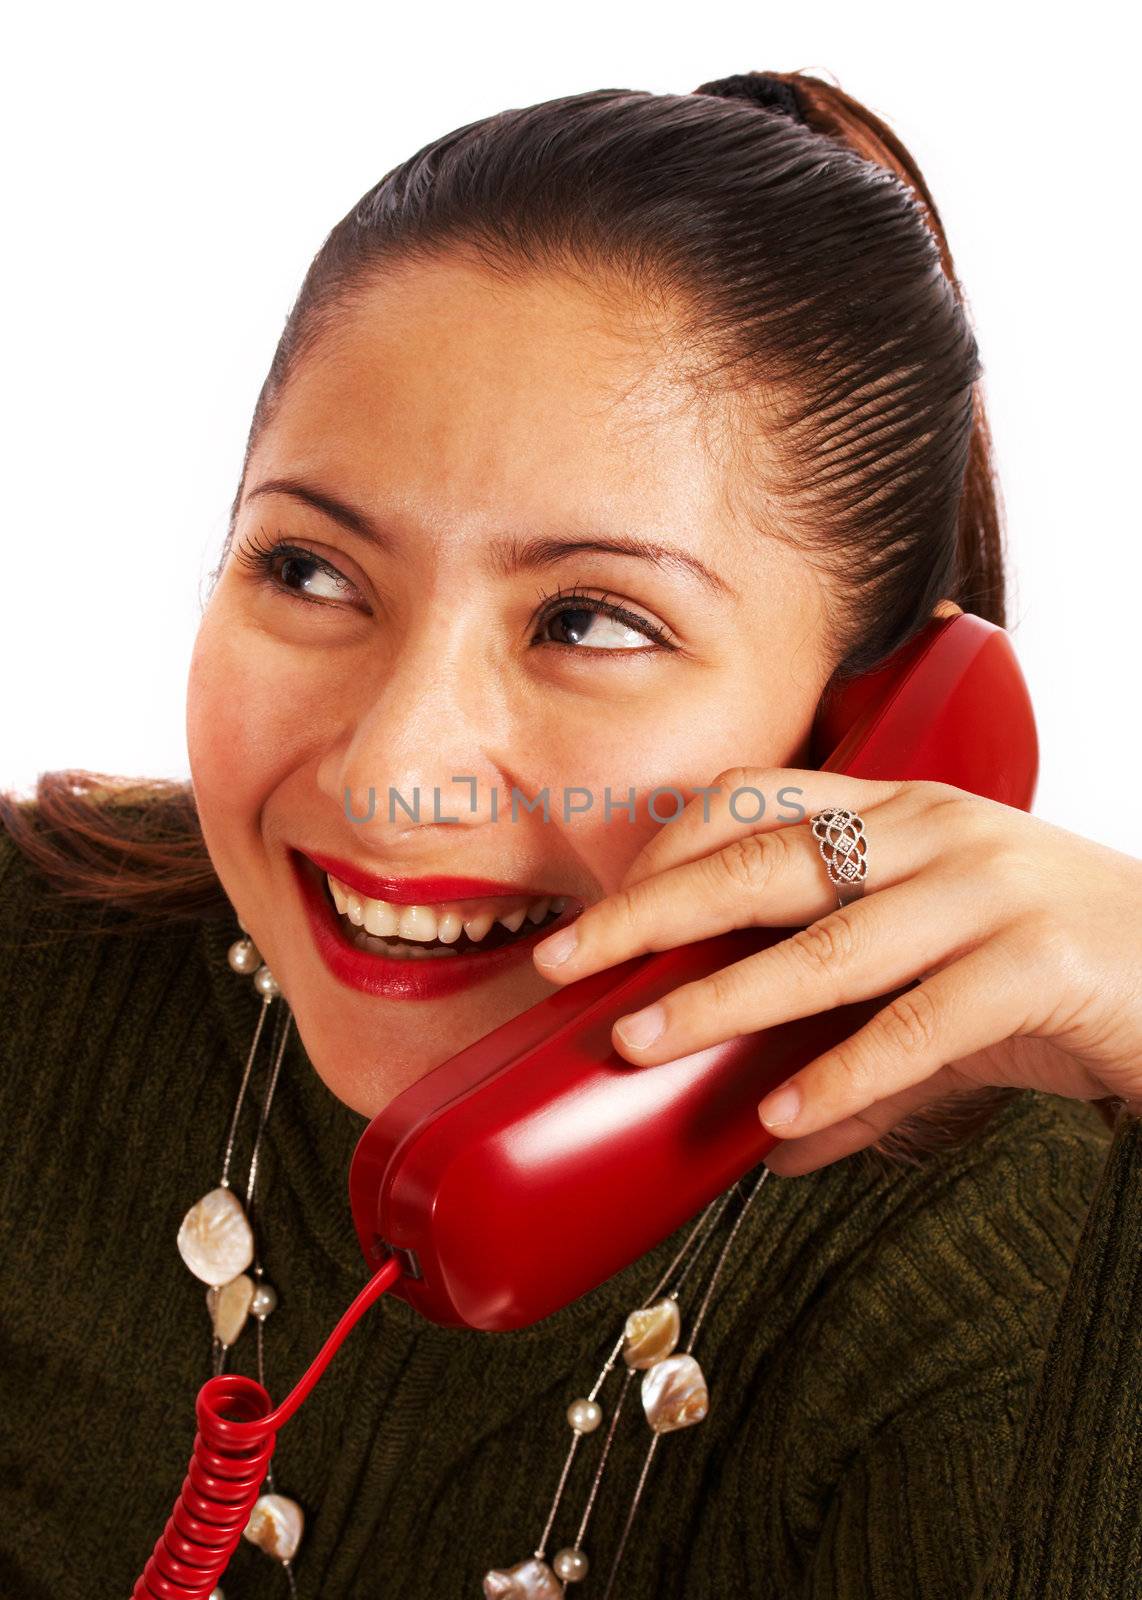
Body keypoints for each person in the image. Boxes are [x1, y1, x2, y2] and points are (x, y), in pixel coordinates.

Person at [0, 68, 1138, 1600]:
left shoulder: (1024, 1260)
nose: (397, 765)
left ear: (872, 731)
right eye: (312, 570)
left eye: (589, 619)